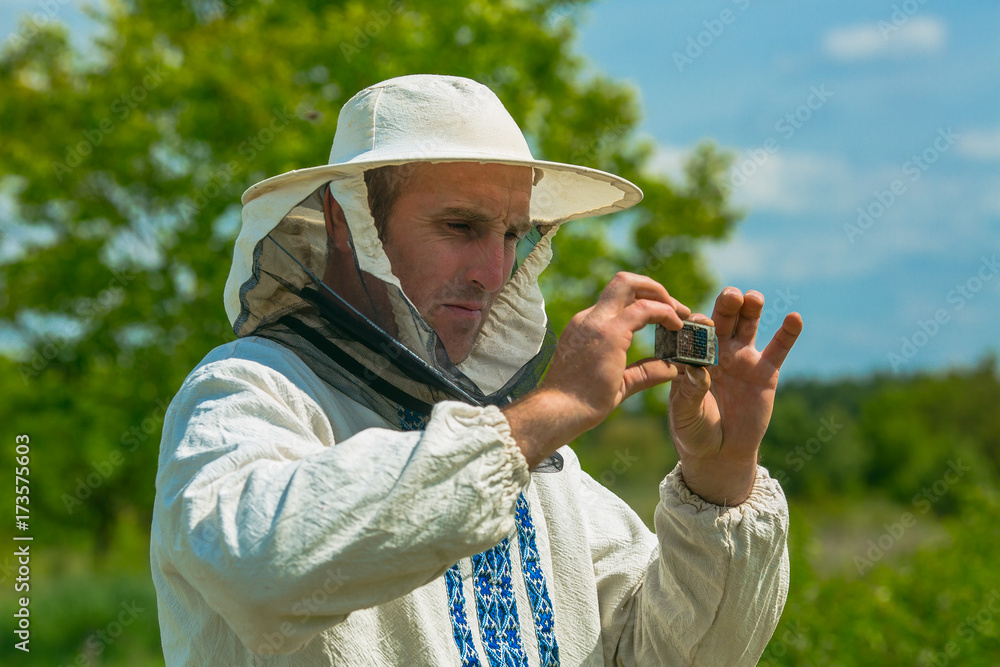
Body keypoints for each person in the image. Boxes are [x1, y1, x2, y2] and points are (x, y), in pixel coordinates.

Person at [150, 74, 803, 666]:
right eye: (461, 225)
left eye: (512, 234)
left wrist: (721, 478)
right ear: (346, 225)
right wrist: (551, 410)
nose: (493, 271)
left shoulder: (545, 471)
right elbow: (260, 569)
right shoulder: (251, 392)